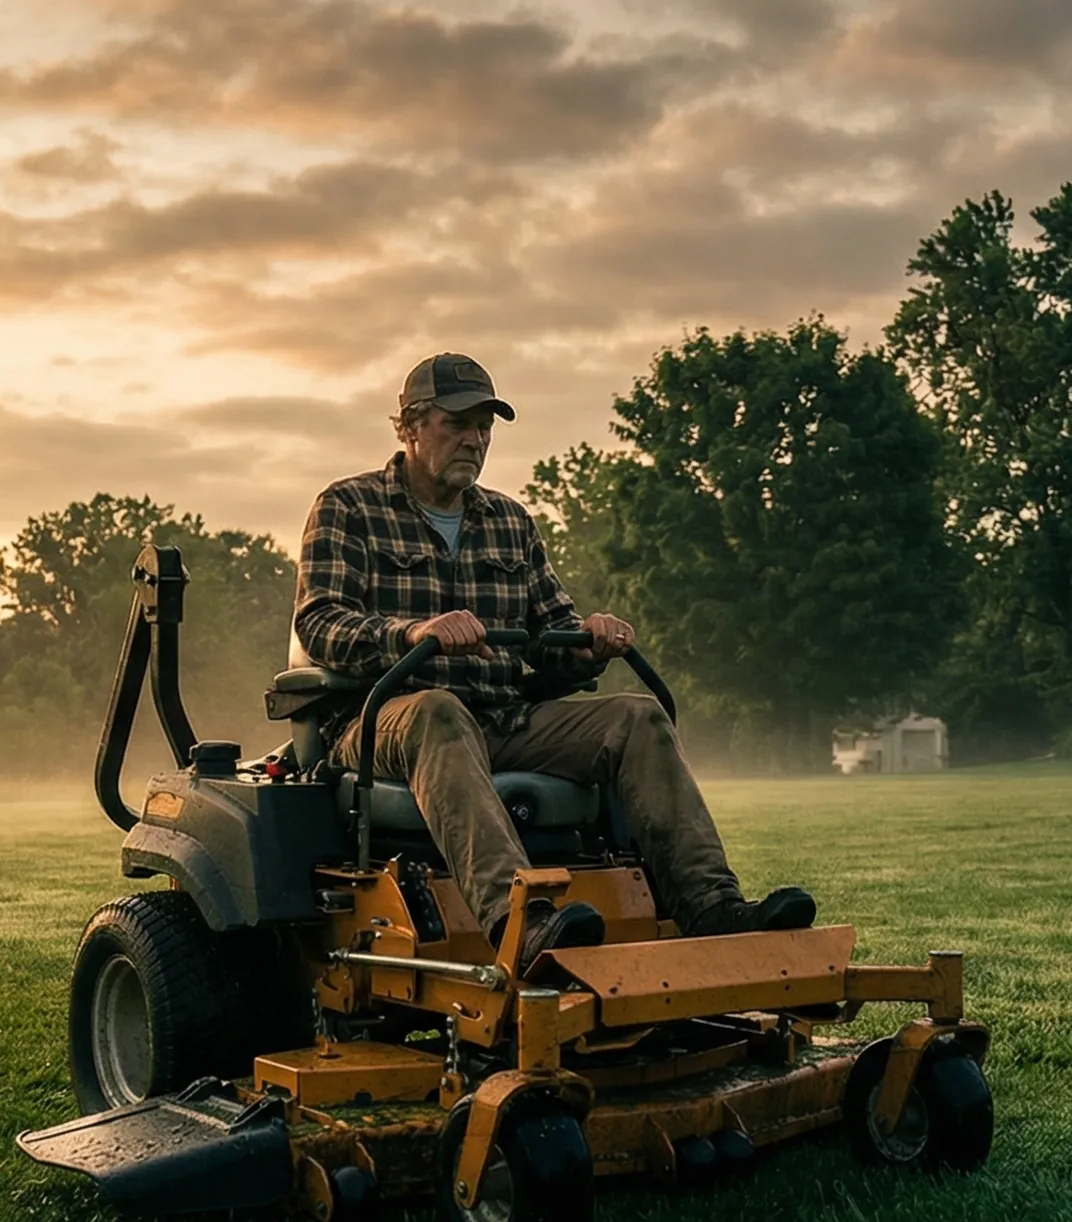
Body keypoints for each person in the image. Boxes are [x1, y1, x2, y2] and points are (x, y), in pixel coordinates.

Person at [294, 352, 812, 966]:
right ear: (408, 426)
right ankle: (524, 922)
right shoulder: (349, 508)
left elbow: (553, 637)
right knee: (438, 710)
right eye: (456, 423)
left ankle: (712, 907)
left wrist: (590, 641)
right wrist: (411, 633)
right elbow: (319, 621)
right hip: (385, 724)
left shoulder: (510, 522)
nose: (475, 438)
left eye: (485, 425)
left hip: (503, 722)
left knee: (637, 717)